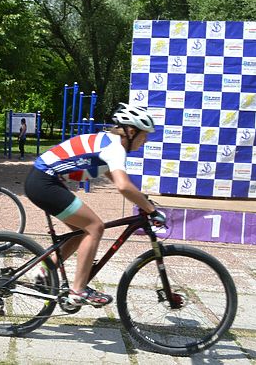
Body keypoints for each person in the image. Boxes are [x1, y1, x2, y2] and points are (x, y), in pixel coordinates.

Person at [24, 103, 166, 308]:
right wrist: (151, 210)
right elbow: (123, 186)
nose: (145, 141)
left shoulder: (108, 141)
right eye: (144, 136)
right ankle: (78, 291)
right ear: (131, 131)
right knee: (95, 227)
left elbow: (111, 174)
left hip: (43, 181)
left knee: (82, 231)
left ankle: (44, 273)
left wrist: (142, 199)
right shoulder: (115, 148)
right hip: (44, 182)